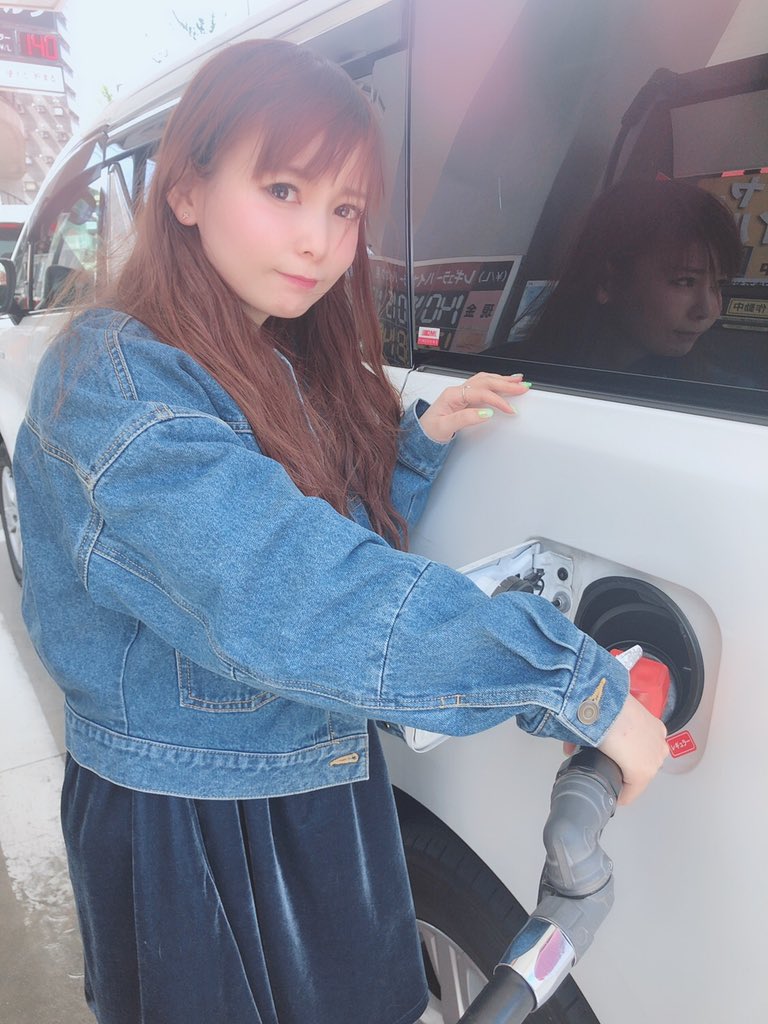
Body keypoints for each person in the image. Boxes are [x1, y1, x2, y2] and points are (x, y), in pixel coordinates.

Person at [12, 39, 667, 1024]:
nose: (319, 241)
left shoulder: (265, 350)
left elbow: (307, 530)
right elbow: (284, 588)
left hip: (321, 794)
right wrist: (570, 681)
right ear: (185, 189)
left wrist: (416, 447)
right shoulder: (119, 386)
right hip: (196, 830)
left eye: (346, 209)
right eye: (283, 189)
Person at [496, 178, 743, 376]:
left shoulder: (721, 398)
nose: (706, 310)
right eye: (685, 281)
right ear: (607, 281)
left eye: (719, 284)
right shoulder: (499, 379)